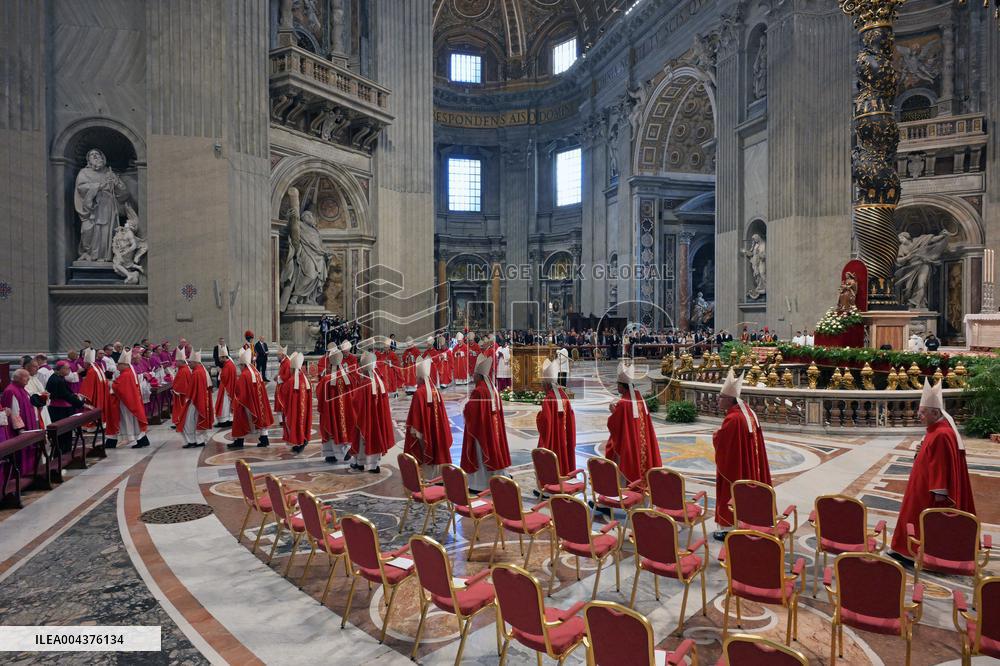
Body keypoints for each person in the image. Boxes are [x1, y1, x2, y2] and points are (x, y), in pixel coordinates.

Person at [891, 378, 976, 558]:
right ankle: (907, 549)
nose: (919, 416)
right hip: (922, 484)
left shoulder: (942, 434)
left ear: (935, 412)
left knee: (922, 520)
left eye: (922, 413)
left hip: (929, 492)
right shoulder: (936, 429)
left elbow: (941, 465)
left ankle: (917, 552)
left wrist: (939, 492)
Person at [712, 367, 771, 541]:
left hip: (737, 467)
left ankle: (731, 527)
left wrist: (716, 435)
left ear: (730, 400)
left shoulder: (733, 419)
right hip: (751, 464)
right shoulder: (748, 411)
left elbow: (725, 446)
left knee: (732, 490)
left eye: (721, 397)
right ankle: (750, 520)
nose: (718, 400)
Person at [604, 361, 662, 484]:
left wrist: (613, 411)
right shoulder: (639, 398)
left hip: (628, 444)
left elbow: (614, 425)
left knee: (623, 463)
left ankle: (625, 489)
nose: (617, 387)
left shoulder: (623, 403)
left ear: (623, 386)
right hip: (642, 442)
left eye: (618, 384)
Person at [461, 354, 511, 492]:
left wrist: (465, 409)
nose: (473, 376)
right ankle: (495, 476)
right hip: (493, 429)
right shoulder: (492, 388)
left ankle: (480, 484)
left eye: (474, 374)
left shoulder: (479, 391)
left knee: (480, 455)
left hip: (481, 430)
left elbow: (472, 411)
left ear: (479, 376)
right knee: (493, 449)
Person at [403, 358, 453, 478]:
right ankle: (439, 476)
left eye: (417, 378)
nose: (416, 380)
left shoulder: (419, 393)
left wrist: (414, 430)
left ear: (420, 378)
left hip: (424, 430)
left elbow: (415, 418)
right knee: (437, 445)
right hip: (437, 429)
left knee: (426, 448)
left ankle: (429, 477)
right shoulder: (435, 390)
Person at [350, 351, 395, 473]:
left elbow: (355, 402)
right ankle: (374, 465)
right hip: (377, 420)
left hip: (366, 418)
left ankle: (360, 463)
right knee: (375, 437)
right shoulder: (379, 381)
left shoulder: (365, 383)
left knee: (362, 438)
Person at [536, 358, 576, 476]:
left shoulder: (549, 399)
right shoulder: (563, 395)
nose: (542, 386)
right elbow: (571, 418)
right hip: (564, 438)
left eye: (542, 384)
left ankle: (550, 484)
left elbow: (545, 422)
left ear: (547, 384)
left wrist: (539, 416)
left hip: (553, 439)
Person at [227, 348, 273, 449]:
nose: (239, 368)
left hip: (246, 403)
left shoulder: (244, 375)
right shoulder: (255, 372)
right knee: (261, 419)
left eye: (240, 365)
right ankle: (264, 439)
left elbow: (240, 392)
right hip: (257, 402)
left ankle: (239, 442)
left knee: (240, 421)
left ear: (243, 364)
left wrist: (235, 401)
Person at [106, 351, 151, 449]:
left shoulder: (126, 374)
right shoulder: (128, 372)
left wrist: (110, 383)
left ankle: (141, 440)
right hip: (128, 401)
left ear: (124, 365)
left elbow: (120, 388)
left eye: (119, 364)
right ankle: (141, 440)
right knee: (130, 422)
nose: (117, 366)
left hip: (127, 403)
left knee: (131, 421)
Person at [319, 348, 354, 464]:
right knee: (343, 428)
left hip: (331, 411)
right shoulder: (348, 378)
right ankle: (344, 451)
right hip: (346, 410)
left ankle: (331, 454)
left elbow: (319, 394)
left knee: (331, 427)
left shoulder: (327, 379)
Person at [44, 361, 85, 452]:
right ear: (61, 369)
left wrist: (76, 395)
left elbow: (66, 393)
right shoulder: (56, 379)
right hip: (59, 411)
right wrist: (82, 404)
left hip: (62, 409)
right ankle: (62, 454)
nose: (69, 370)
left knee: (67, 434)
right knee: (62, 435)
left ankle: (67, 453)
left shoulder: (59, 378)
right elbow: (65, 396)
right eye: (67, 368)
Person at [180, 350, 214, 448]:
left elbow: (193, 389)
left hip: (195, 401)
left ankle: (192, 441)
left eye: (190, 362)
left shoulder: (196, 373)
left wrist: (188, 398)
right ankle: (200, 440)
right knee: (196, 421)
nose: (188, 364)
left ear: (195, 362)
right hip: (200, 400)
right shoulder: (201, 370)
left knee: (188, 421)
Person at [282, 352, 313, 454]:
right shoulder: (305, 379)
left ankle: (299, 442)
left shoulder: (291, 381)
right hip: (303, 410)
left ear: (293, 369)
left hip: (294, 409)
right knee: (302, 423)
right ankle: (301, 441)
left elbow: (283, 392)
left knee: (294, 423)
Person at [79, 348, 111, 428]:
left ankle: (92, 425)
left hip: (94, 396)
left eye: (84, 363)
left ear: (88, 363)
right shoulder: (96, 368)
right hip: (100, 394)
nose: (83, 365)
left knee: (91, 408)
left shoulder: (91, 371)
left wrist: (81, 395)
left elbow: (88, 387)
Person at [214, 345, 236, 427]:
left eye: (220, 358)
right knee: (228, 405)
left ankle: (224, 421)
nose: (219, 360)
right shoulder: (230, 364)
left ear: (224, 357)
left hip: (226, 389)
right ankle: (229, 419)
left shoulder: (227, 365)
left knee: (224, 405)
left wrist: (220, 372)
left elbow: (223, 377)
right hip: (229, 387)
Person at [170, 347, 192, 430]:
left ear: (181, 361)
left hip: (180, 395)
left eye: (177, 361)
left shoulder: (183, 370)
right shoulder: (182, 369)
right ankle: (179, 421)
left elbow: (182, 384)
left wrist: (175, 389)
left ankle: (180, 421)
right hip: (179, 394)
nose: (175, 363)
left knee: (181, 408)